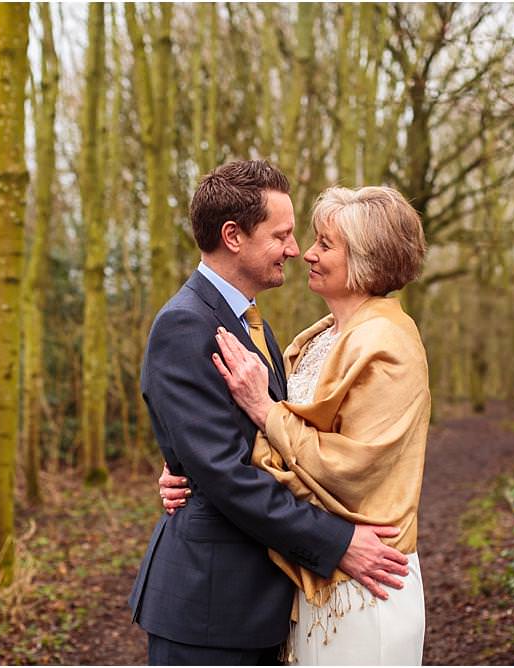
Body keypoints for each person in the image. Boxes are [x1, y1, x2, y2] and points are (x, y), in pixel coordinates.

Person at [128, 161, 411, 666]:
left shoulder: (251, 322)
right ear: (233, 236)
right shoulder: (185, 325)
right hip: (211, 607)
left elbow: (241, 448)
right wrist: (337, 541)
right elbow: (225, 474)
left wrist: (187, 465)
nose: (295, 248)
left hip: (261, 600)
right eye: (281, 234)